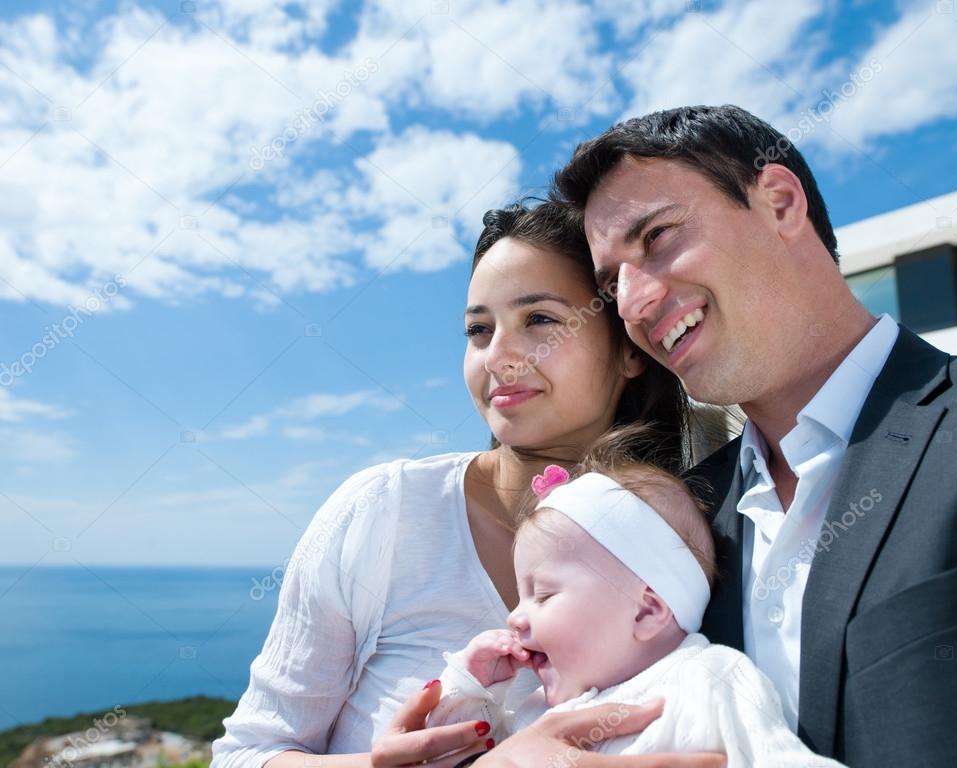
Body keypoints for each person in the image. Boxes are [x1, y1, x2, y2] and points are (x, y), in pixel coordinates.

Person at [476, 105, 957, 766]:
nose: (634, 301)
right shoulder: (670, 526)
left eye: (657, 238)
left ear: (781, 203)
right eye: (612, 280)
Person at [211, 200, 723, 768]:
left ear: (629, 347)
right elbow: (246, 754)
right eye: (479, 330)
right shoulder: (385, 511)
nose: (497, 356)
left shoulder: (692, 528)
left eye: (541, 320)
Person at [426, 428, 846, 766]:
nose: (515, 617)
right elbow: (452, 756)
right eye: (520, 597)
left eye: (544, 594)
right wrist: (471, 692)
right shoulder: (538, 713)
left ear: (646, 610)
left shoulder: (706, 679)